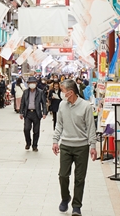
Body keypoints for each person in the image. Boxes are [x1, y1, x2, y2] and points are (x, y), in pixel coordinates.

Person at [53, 80, 98, 216]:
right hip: (66, 146)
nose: (61, 93)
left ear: (70, 92)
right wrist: (55, 141)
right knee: (62, 176)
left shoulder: (85, 106)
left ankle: (76, 206)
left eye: (62, 91)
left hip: (81, 147)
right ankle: (65, 198)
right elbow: (59, 124)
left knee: (80, 178)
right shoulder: (62, 105)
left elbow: (91, 127)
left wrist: (93, 146)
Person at [19, 76, 47, 151]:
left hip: (36, 113)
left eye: (33, 83)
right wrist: (21, 112)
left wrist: (44, 112)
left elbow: (44, 103)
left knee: (36, 131)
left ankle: (35, 145)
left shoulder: (40, 92)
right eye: (30, 83)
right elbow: (22, 103)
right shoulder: (25, 92)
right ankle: (28, 143)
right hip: (27, 113)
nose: (32, 84)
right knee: (26, 129)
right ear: (28, 84)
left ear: (36, 83)